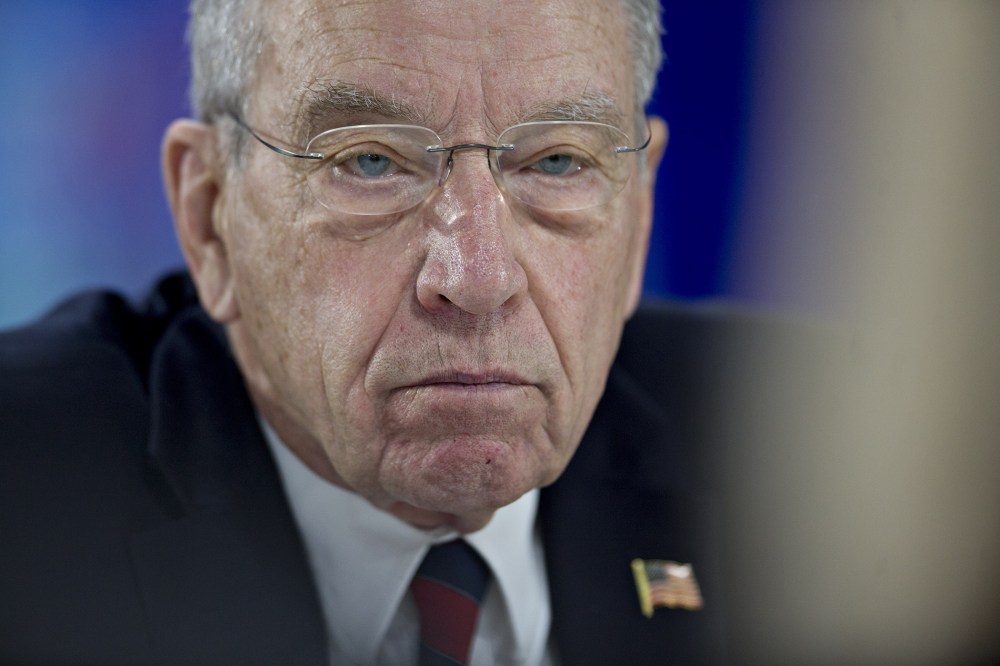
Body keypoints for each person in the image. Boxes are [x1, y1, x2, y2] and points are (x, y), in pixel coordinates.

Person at [0, 0, 750, 663]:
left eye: (558, 161)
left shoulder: (807, 451)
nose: (479, 278)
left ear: (640, 212)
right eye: (369, 161)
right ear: (210, 219)